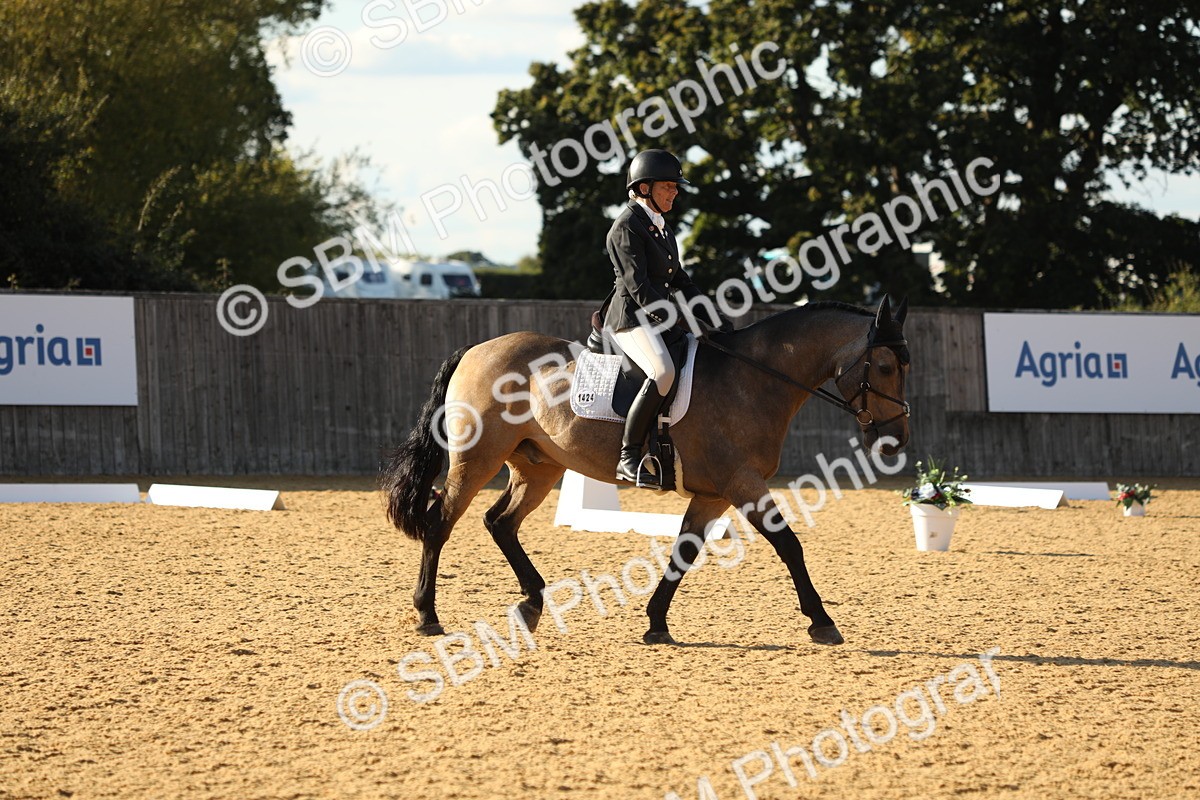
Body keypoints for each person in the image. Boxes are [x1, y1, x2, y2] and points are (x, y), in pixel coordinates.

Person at [603, 149, 730, 488]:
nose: (675, 192)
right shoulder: (626, 227)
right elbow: (638, 286)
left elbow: (681, 282)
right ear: (644, 188)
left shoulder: (662, 229)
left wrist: (715, 319)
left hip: (657, 317)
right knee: (663, 372)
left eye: (676, 187)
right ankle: (628, 457)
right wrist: (674, 319)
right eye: (669, 186)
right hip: (630, 319)